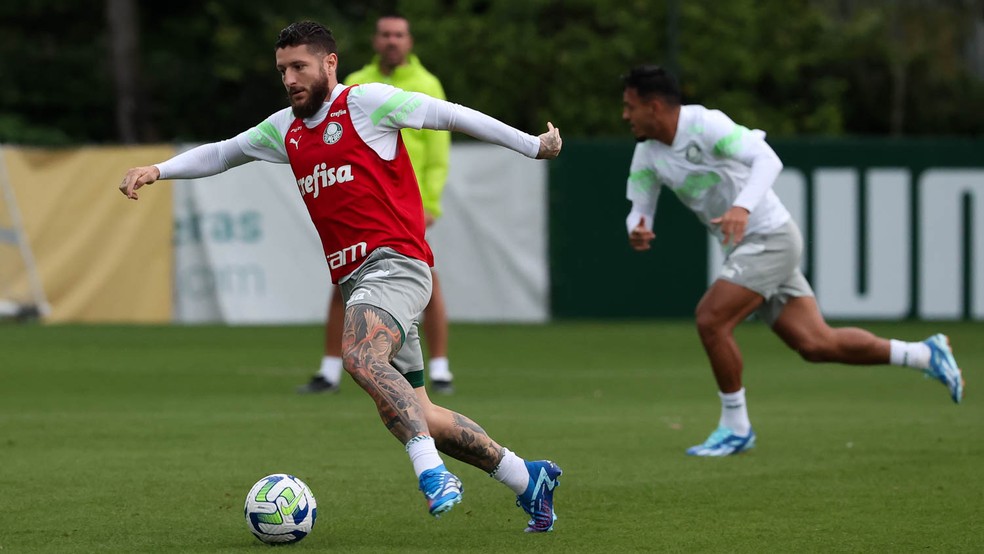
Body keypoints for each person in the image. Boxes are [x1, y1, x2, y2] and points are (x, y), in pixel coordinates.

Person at [119, 21, 563, 531]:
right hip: (359, 279)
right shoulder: (284, 129)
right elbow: (223, 152)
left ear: (330, 63)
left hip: (396, 262)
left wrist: (531, 146)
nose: (289, 79)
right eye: (283, 69)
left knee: (358, 356)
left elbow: (450, 115)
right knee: (417, 412)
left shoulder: (367, 103)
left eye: (299, 66)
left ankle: (431, 473)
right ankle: (528, 479)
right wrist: (159, 169)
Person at [619, 64, 964, 457]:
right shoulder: (647, 154)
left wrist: (742, 208)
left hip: (770, 238)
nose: (625, 115)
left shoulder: (706, 124)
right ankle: (922, 353)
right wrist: (639, 226)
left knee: (711, 319)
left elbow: (768, 160)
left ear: (656, 106)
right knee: (817, 344)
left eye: (630, 106)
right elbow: (640, 207)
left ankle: (737, 426)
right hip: (746, 247)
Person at [298, 13, 455, 396]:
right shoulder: (356, 83)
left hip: (406, 202)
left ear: (409, 41)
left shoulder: (426, 83)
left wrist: (430, 202)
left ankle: (440, 368)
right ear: (375, 40)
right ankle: (330, 369)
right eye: (385, 34)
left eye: (399, 35)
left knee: (425, 279)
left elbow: (438, 153)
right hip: (368, 202)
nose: (392, 41)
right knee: (344, 283)